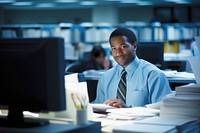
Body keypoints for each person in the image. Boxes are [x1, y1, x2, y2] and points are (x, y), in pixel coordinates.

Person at [92, 28, 172, 108]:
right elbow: (99, 107)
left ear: (134, 46)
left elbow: (163, 108)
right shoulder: (106, 77)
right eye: (114, 49)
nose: (118, 53)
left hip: (141, 121)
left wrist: (128, 109)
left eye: (123, 47)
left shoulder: (154, 75)